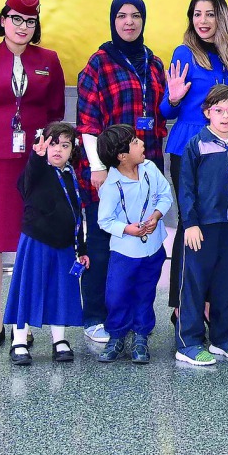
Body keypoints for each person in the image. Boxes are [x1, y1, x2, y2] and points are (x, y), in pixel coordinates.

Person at [0, 0, 66, 348]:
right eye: (17, 19)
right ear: (3, 21)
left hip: (34, 162)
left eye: (30, 21)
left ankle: (26, 319)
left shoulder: (48, 60)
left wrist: (47, 152)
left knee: (33, 239)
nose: (23, 27)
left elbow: (56, 112)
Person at [75, 0, 168, 344]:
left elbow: (160, 114)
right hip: (110, 172)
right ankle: (96, 316)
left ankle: (131, 316)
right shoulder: (98, 64)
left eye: (136, 16)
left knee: (141, 242)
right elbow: (87, 123)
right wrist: (99, 168)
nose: (129, 22)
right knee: (103, 242)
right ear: (113, 21)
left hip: (145, 169)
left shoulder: (154, 62)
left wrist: (172, 99)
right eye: (122, 16)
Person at [160, 0, 228, 317]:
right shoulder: (184, 52)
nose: (202, 21)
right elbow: (165, 110)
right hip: (188, 146)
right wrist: (174, 98)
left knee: (213, 225)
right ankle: (181, 304)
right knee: (189, 221)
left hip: (221, 149)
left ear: (221, 17)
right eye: (197, 14)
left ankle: (204, 302)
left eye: (209, 14)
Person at [175, 85, 228, 367]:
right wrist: (190, 223)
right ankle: (189, 342)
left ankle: (223, 338)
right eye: (219, 110)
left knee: (227, 283)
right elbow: (185, 188)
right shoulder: (196, 144)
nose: (225, 116)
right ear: (207, 112)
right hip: (202, 226)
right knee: (196, 284)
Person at [3, 122, 88, 366]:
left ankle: (59, 340)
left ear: (73, 150)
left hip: (63, 246)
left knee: (60, 290)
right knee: (29, 288)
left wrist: (81, 249)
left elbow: (76, 215)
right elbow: (27, 180)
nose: (58, 149)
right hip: (36, 241)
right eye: (53, 144)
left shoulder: (71, 176)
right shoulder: (38, 171)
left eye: (65, 145)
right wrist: (36, 157)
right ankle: (19, 340)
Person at [95, 123, 174, 364]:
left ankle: (141, 335)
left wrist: (157, 215)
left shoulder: (150, 168)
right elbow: (104, 220)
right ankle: (116, 335)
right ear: (122, 156)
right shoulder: (111, 185)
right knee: (117, 295)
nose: (142, 144)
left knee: (145, 293)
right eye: (136, 142)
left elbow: (165, 194)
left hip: (153, 248)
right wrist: (127, 229)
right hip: (125, 252)